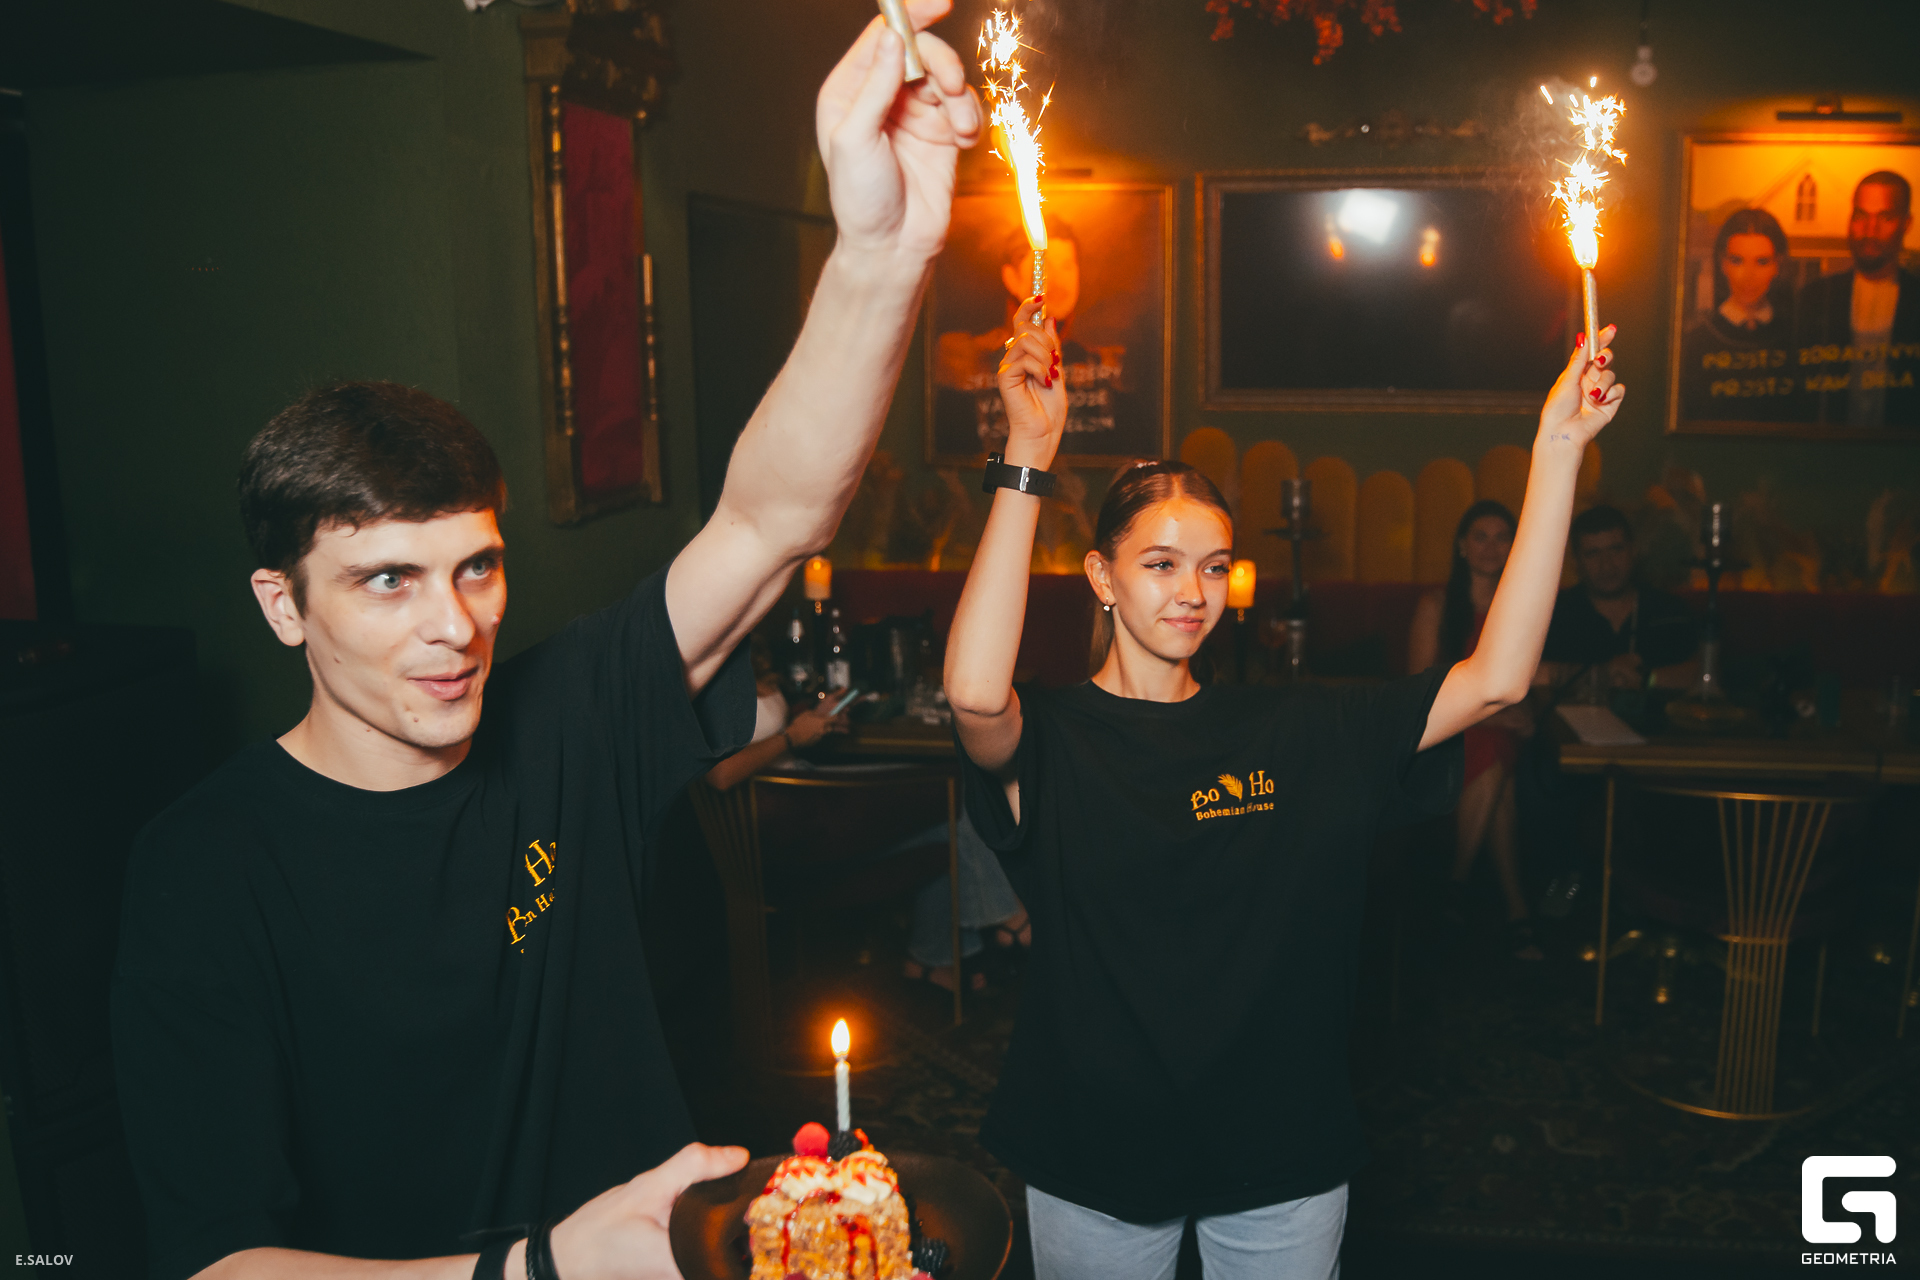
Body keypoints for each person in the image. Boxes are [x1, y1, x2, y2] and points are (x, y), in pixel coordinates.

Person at [109, 10, 983, 1280]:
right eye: (388, 581)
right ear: (282, 605)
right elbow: (221, 1266)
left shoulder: (565, 717)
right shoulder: (206, 867)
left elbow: (772, 517)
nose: (453, 624)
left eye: (476, 566)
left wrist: (885, 253)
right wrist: (543, 1265)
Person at [943, 286, 1623, 1278]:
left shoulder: (1297, 730)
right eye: (1161, 563)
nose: (1193, 592)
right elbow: (973, 693)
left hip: (1278, 1149)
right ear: (1101, 577)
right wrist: (1028, 454)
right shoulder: (1055, 736)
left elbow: (1498, 679)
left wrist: (1556, 452)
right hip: (1095, 1143)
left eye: (1215, 566)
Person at [1407, 500, 1541, 961]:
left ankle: (1455, 890)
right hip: (1441, 737)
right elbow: (1420, 695)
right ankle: (1515, 910)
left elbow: (1532, 681)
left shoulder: (1521, 610)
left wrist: (1523, 713)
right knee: (1497, 761)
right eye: (1480, 537)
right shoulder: (1436, 605)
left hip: (1502, 734)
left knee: (1498, 747)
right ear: (1462, 546)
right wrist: (1498, 717)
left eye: (1501, 538)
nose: (1490, 547)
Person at [933, 214, 1148, 457]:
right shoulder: (970, 364)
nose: (1058, 280)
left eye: (1067, 266)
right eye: (1043, 268)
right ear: (1012, 278)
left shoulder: (1109, 366)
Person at [1795, 170, 1919, 429]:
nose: (1870, 230)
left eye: (1885, 217)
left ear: (1906, 224)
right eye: (1861, 216)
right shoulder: (1816, 297)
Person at [1537, 505, 1700, 695]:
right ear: (1576, 562)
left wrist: (1647, 679)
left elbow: (1705, 673)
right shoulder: (1555, 614)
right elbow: (1528, 675)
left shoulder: (1670, 610)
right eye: (1593, 554)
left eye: (1616, 550)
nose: (1606, 565)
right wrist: (1603, 674)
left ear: (1633, 551)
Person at [1679, 207, 1797, 422]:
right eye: (1737, 260)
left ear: (1777, 265)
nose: (1748, 275)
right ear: (1723, 264)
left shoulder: (1796, 338)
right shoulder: (1695, 342)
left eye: (1762, 262)